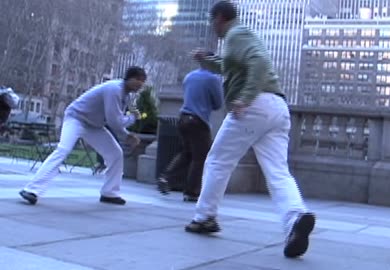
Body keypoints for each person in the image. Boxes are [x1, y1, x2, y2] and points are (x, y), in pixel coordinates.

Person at [184, 1, 315, 259]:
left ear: (220, 18)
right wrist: (207, 60)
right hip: (277, 107)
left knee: (218, 160)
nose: (213, 28)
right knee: (278, 172)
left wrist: (244, 97)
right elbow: (229, 67)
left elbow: (260, 61)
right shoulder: (237, 40)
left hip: (255, 105)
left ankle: (205, 217)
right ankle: (296, 219)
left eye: (213, 22)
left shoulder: (236, 34)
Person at [19, 66, 145, 206]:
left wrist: (126, 135)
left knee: (115, 154)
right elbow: (114, 121)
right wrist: (132, 119)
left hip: (94, 126)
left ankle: (110, 193)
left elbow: (115, 120)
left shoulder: (125, 96)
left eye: (143, 81)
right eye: (138, 79)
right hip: (76, 118)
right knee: (63, 150)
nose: (140, 83)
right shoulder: (114, 89)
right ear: (128, 78)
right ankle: (31, 190)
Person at [157, 56, 223, 202]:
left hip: (183, 118)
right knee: (200, 158)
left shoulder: (189, 76)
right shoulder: (213, 79)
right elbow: (218, 103)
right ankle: (192, 192)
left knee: (186, 153)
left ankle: (166, 177)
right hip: (199, 121)